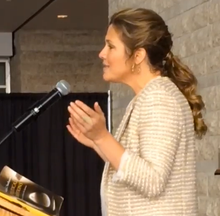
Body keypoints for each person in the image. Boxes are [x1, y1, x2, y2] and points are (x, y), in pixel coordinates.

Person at [66, 7, 208, 216]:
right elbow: (136, 170)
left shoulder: (158, 99)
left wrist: (104, 138)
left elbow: (152, 180)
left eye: (110, 46)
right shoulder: (147, 96)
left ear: (138, 55)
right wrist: (99, 142)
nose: (102, 54)